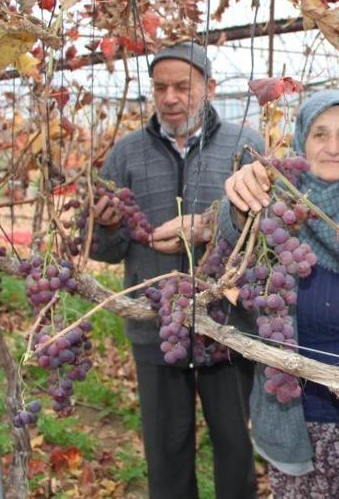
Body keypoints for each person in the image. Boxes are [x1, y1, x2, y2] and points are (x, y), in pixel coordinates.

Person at [219, 89, 339, 497]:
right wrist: (238, 203)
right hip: (302, 425)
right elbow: (230, 238)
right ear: (301, 142)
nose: (333, 147)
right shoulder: (275, 215)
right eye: (320, 134)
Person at [90, 41, 262, 498]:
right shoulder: (126, 154)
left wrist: (210, 227)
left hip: (226, 328)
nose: (170, 98)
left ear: (209, 88)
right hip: (155, 328)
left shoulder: (244, 146)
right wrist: (106, 229)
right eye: (160, 87)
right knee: (165, 451)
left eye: (182, 86)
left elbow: (267, 240)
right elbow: (103, 250)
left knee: (234, 447)